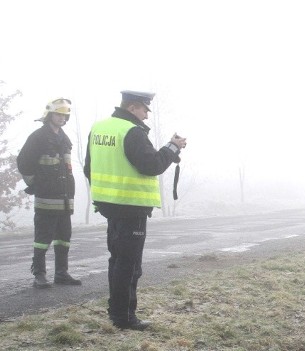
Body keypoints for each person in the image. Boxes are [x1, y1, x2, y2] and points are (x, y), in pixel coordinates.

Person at [83, 90, 187, 331]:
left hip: (109, 204)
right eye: (144, 110)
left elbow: (89, 167)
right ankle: (124, 317)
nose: (146, 116)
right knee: (129, 265)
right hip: (131, 207)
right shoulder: (132, 131)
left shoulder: (99, 128)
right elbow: (152, 165)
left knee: (117, 259)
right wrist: (172, 148)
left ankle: (116, 310)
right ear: (132, 108)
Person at [16, 98, 81, 288]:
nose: (61, 118)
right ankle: (39, 275)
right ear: (49, 115)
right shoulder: (38, 137)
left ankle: (61, 273)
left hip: (64, 198)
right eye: (58, 114)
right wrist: (36, 184)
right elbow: (23, 163)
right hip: (46, 198)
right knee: (43, 238)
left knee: (63, 237)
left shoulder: (64, 139)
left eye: (64, 115)